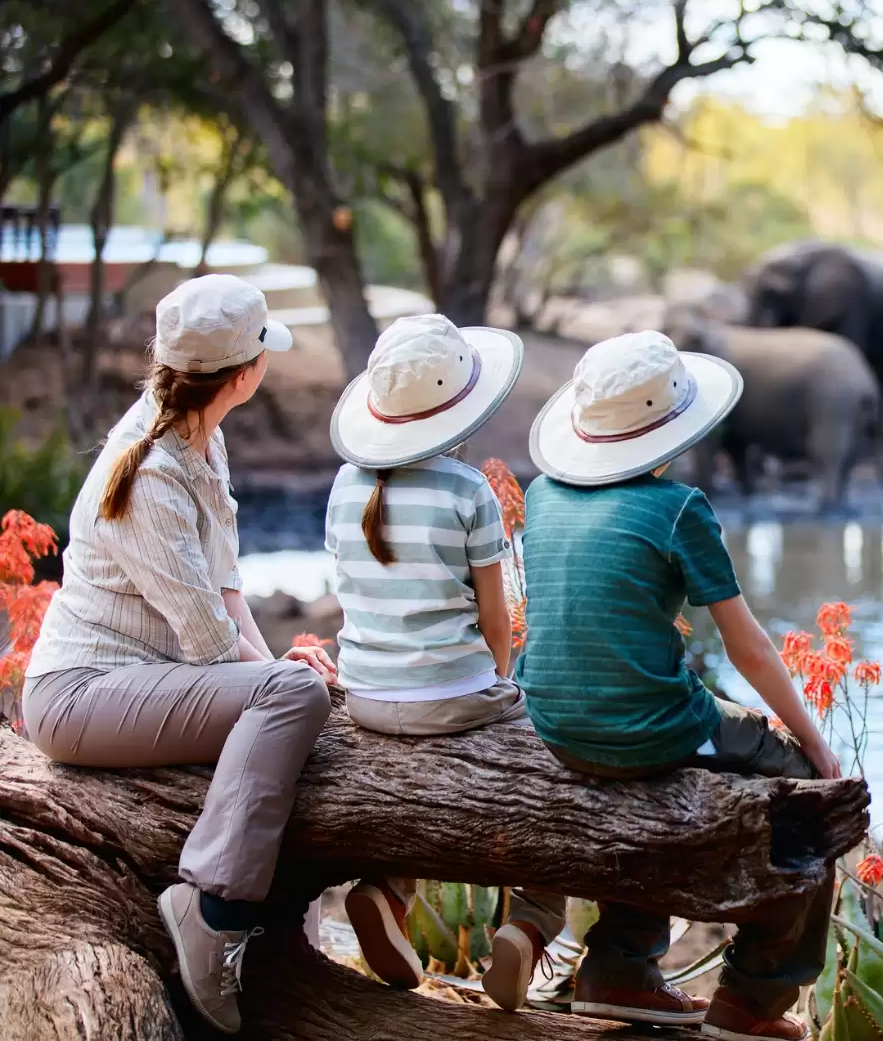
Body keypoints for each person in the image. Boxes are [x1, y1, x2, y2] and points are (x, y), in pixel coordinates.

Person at [21, 275, 338, 1035]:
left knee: (294, 692)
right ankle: (213, 909)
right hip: (80, 694)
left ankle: (267, 933)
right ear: (244, 373)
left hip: (144, 681)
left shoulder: (201, 437)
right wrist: (277, 682)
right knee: (295, 697)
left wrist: (275, 665)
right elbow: (205, 642)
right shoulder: (151, 471)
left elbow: (224, 590)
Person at [519, 330, 843, 1041]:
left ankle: (619, 971)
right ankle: (754, 998)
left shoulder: (542, 494)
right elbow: (748, 647)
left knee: (654, 771)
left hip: (552, 725)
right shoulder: (678, 507)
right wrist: (814, 744)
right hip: (648, 727)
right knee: (810, 797)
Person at [323, 312, 564, 1010]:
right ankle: (531, 922)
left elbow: (350, 592)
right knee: (556, 773)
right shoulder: (468, 491)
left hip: (366, 696)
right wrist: (500, 684)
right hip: (456, 695)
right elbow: (495, 618)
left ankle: (387, 888)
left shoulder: (344, 485)